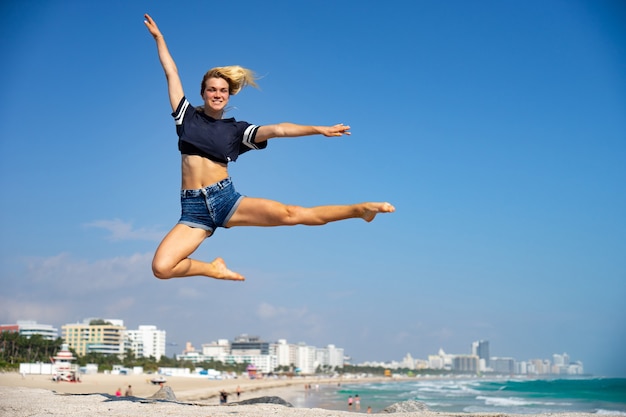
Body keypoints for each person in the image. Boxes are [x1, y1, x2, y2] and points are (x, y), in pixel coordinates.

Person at [144, 14, 395, 281]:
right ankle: (212, 269)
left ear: (229, 95)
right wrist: (160, 39)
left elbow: (278, 129)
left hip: (225, 200)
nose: (217, 94)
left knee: (292, 214)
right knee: (162, 268)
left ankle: (359, 210)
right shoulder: (186, 117)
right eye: (211, 89)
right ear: (203, 92)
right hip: (194, 210)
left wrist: (318, 129)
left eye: (223, 90)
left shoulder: (236, 130)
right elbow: (171, 72)